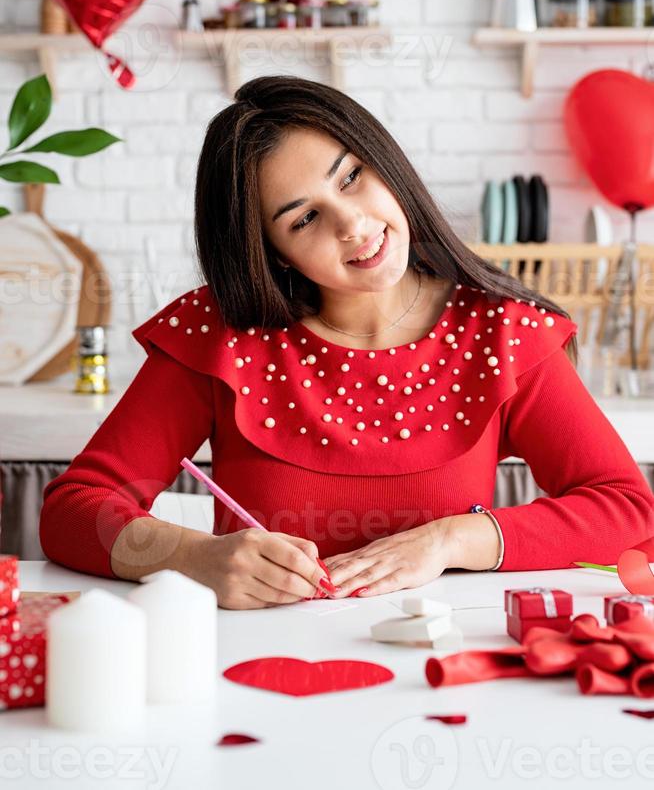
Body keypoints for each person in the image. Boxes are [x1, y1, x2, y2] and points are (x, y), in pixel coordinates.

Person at [39, 76, 654, 610]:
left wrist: (451, 541)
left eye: (352, 177)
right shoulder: (223, 332)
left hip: (438, 671)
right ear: (269, 250)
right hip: (250, 672)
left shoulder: (500, 330)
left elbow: (628, 511)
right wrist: (190, 556)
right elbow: (71, 512)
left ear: (383, 160)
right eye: (303, 218)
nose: (353, 225)